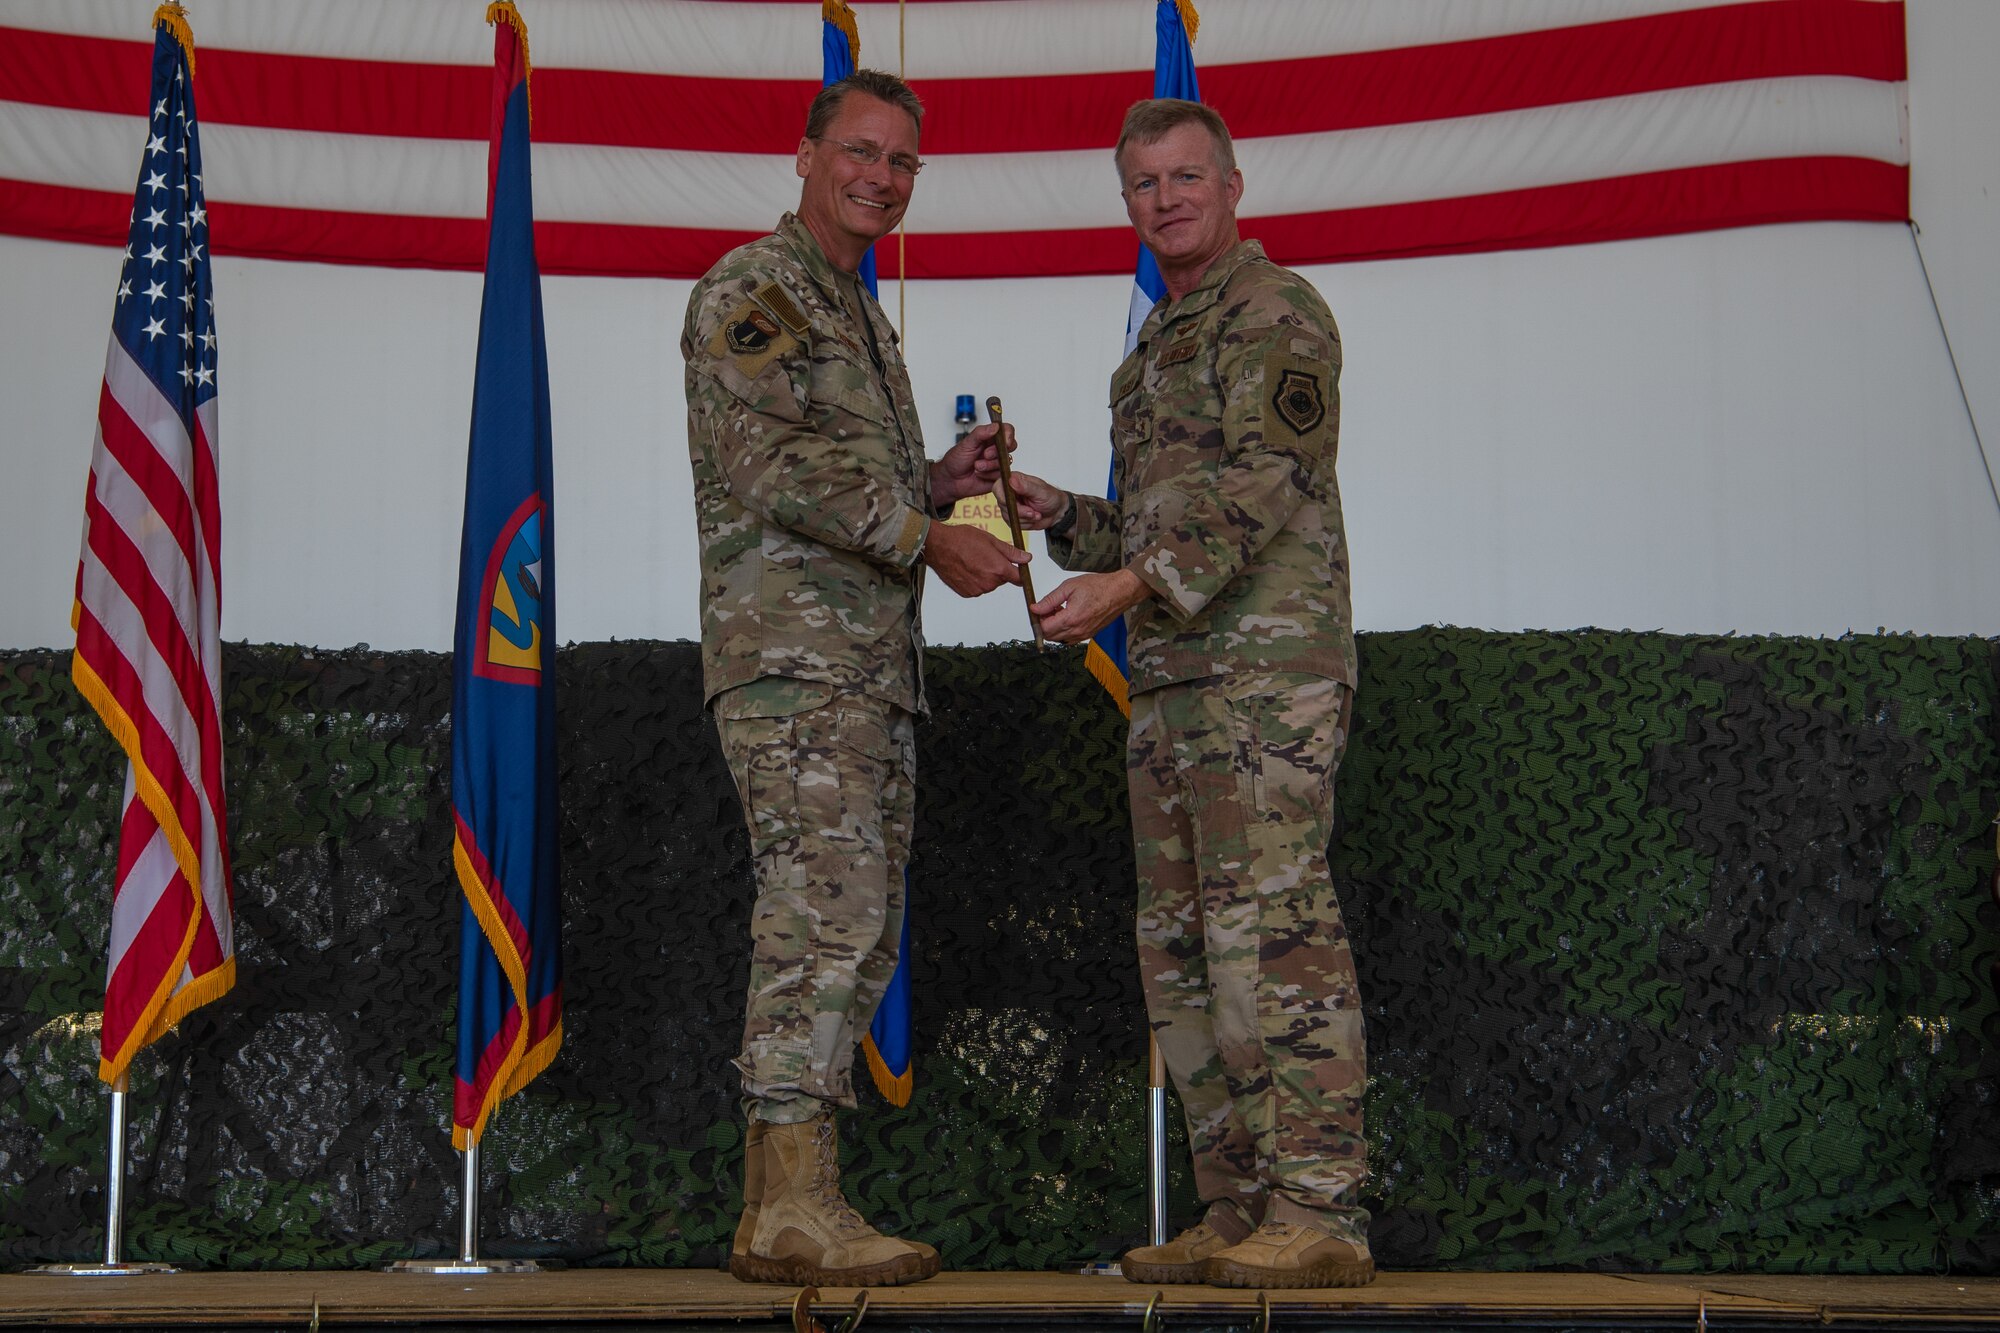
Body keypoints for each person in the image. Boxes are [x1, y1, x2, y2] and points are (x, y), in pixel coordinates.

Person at [1004, 98, 1371, 1289]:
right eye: (1143, 185)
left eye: (1184, 177)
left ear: (1231, 184)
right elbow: (1159, 526)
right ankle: (1236, 1206)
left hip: (1265, 673)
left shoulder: (1276, 311)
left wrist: (1127, 579)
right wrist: (1068, 521)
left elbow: (1267, 481)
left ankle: (1317, 1206)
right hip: (1172, 681)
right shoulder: (1156, 345)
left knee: (1272, 934)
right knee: (1180, 950)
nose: (1165, 200)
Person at [681, 69, 1029, 1288]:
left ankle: (791, 1201)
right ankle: (785, 1203)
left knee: (852, 922)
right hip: (792, 664)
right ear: (806, 153)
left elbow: (847, 479)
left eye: (901, 163)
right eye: (859, 153)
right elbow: (773, 468)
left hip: (864, 669)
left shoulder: (856, 311)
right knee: (816, 919)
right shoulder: (753, 291)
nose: (879, 178)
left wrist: (937, 478)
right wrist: (928, 533)